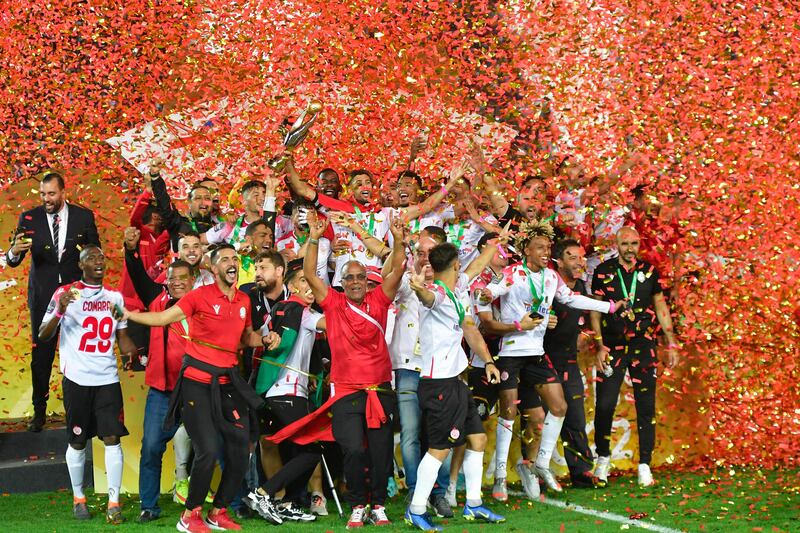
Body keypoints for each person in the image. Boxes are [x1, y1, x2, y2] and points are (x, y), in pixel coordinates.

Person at [121, 243, 281, 533]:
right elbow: (161, 319)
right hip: (196, 382)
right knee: (207, 450)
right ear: (213, 266)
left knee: (239, 448)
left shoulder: (243, 300)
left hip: (227, 382)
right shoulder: (199, 297)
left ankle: (218, 511)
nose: (233, 263)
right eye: (226, 260)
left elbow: (245, 338)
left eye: (236, 258)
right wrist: (128, 314)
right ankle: (189, 514)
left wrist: (266, 340)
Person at [272, 211, 406, 528]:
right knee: (352, 452)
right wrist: (315, 237)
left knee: (380, 452)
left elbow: (397, 271)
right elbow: (309, 272)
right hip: (346, 392)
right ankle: (358, 504)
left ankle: (378, 505)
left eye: (361, 277)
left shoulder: (380, 300)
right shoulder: (332, 303)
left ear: (366, 281)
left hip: (380, 390)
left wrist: (399, 241)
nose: (357, 282)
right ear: (342, 283)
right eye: (350, 278)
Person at [480, 219, 622, 496]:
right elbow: (492, 291)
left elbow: (571, 299)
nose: (545, 253)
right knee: (509, 414)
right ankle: (499, 476)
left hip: (536, 354)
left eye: (547, 248)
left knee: (559, 407)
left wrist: (607, 306)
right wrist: (486, 293)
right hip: (511, 354)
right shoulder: (512, 273)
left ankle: (542, 464)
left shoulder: (551, 277)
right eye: (539, 248)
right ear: (526, 251)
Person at [405, 242, 505, 531]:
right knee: (439, 448)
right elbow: (426, 297)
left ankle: (473, 504)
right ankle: (417, 508)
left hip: (457, 381)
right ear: (455, 266)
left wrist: (488, 362)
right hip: (438, 383)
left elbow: (470, 329)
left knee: (478, 439)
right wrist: (416, 287)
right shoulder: (436, 293)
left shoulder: (458, 290)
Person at [38, 246, 136, 524]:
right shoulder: (65, 294)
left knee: (112, 438)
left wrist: (133, 350)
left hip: (107, 379)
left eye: (102, 258)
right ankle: (79, 498)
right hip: (77, 380)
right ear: (81, 266)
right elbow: (43, 335)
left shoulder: (114, 297)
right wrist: (59, 311)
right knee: (78, 440)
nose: (98, 262)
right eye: (91, 258)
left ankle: (113, 502)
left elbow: (123, 338)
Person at [6, 169, 100, 432]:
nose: (46, 199)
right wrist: (13, 252)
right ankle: (39, 410)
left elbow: (95, 252)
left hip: (77, 297)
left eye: (51, 194)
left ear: (63, 192)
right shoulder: (29, 218)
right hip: (43, 298)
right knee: (42, 356)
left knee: (82, 352)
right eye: (43, 194)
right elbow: (14, 260)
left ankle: (83, 411)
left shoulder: (83, 217)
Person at [590, 226, 679, 487]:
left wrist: (671, 341)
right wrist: (598, 345)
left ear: (640, 245)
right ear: (616, 244)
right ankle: (603, 459)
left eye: (634, 244)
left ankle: (644, 465)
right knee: (605, 405)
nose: (630, 249)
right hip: (613, 346)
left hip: (643, 345)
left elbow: (660, 305)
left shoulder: (649, 271)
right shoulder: (603, 271)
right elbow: (595, 311)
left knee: (645, 407)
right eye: (625, 243)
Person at [124, 226, 197, 522]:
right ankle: (149, 506)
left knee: (216, 446)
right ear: (166, 282)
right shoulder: (157, 300)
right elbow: (138, 276)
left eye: (183, 278)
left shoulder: (205, 303)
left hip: (197, 388)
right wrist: (130, 252)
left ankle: (234, 503)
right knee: (152, 447)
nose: (177, 283)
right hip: (162, 391)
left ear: (194, 280)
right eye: (172, 279)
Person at [245, 259, 326, 524]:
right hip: (287, 392)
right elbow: (328, 324)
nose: (310, 285)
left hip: (277, 391)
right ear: (291, 286)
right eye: (303, 280)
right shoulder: (298, 309)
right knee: (311, 451)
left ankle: (288, 502)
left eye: (312, 279)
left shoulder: (287, 309)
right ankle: (263, 493)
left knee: (301, 451)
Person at [544, 239, 601, 488]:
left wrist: (586, 334)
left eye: (582, 257)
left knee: (576, 417)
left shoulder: (581, 285)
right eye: (573, 258)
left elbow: (589, 318)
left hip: (568, 361)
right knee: (535, 419)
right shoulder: (546, 284)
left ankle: (581, 471)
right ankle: (535, 470)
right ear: (559, 262)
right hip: (540, 359)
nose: (580, 263)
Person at [148, 162, 216, 251]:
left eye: (207, 198)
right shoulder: (178, 223)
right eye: (198, 198)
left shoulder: (220, 226)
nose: (203, 202)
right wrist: (156, 178)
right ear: (189, 203)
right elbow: (164, 203)